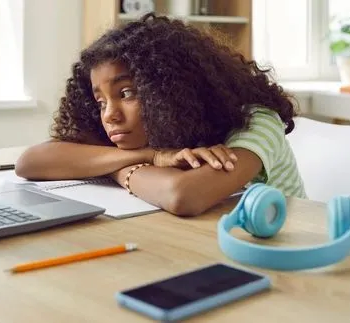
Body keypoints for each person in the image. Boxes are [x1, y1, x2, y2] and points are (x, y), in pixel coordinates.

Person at [15, 13, 307, 216]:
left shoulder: (256, 121)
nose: (110, 115)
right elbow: (30, 162)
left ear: (171, 89)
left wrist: (117, 169)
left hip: (287, 257)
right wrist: (150, 156)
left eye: (127, 93)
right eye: (101, 101)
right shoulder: (131, 131)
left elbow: (183, 196)